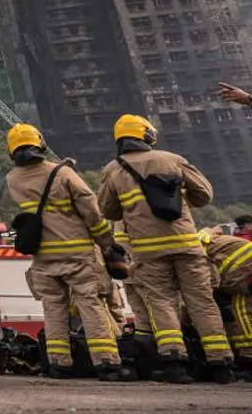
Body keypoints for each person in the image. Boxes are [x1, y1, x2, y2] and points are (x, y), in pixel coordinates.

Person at [98, 114, 233, 384]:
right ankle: (222, 365)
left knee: (162, 304)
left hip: (148, 252)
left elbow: (107, 210)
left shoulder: (114, 170)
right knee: (202, 302)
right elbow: (204, 194)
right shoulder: (172, 160)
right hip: (187, 245)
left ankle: (175, 364)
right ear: (147, 134)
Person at [5, 123, 133, 382]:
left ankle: (59, 365)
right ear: (39, 143)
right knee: (91, 306)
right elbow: (91, 210)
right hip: (78, 255)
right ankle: (107, 363)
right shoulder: (62, 174)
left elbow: (41, 190)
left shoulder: (13, 179)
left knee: (53, 311)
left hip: (43, 259)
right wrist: (106, 241)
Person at [199, 227, 252, 380]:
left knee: (243, 313)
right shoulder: (204, 238)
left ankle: (249, 360)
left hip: (246, 273)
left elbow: (211, 283)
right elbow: (217, 229)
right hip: (244, 272)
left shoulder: (195, 250)